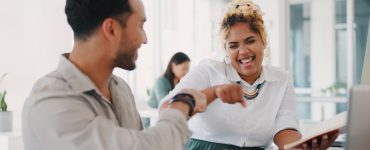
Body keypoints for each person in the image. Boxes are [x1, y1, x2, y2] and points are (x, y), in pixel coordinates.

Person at [21, 0, 246, 149]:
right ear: (111, 29)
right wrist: (183, 102)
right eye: (140, 26)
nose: (145, 38)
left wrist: (212, 93)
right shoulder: (50, 103)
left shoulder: (120, 89)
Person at [160, 0, 339, 149]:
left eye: (250, 41)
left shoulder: (281, 79)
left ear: (263, 41)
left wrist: (303, 147)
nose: (243, 51)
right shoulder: (209, 70)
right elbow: (166, 108)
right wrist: (214, 92)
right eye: (233, 45)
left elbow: (285, 128)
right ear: (226, 50)